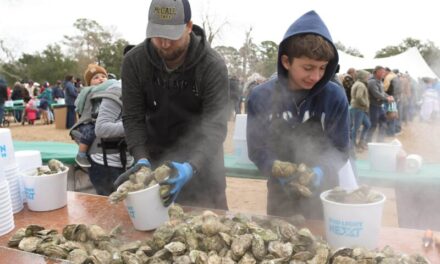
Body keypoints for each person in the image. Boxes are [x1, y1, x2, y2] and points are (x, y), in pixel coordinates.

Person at [119, 0, 229, 210]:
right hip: (156, 167)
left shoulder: (212, 65)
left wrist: (191, 167)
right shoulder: (134, 62)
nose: (165, 44)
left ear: (188, 26)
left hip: (204, 170)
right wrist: (140, 157)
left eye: (172, 36)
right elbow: (133, 117)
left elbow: (215, 128)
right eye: (158, 35)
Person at [246, 10, 350, 219]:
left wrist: (321, 171)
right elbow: (257, 150)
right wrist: (275, 169)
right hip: (279, 194)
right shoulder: (260, 97)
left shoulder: (335, 96)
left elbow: (340, 149)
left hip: (325, 194)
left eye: (322, 68)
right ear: (286, 61)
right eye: (308, 67)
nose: (316, 76)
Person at [74, 64, 109, 167]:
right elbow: (78, 104)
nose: (100, 79)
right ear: (89, 83)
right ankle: (81, 154)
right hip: (90, 120)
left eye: (103, 76)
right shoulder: (86, 92)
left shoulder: (111, 90)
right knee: (90, 131)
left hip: (106, 118)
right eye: (96, 78)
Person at [366, 66, 393, 143]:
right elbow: (376, 94)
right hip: (373, 107)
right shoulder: (372, 82)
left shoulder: (380, 81)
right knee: (372, 125)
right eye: (382, 72)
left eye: (384, 72)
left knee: (383, 122)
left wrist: (388, 96)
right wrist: (386, 99)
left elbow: (382, 93)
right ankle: (368, 142)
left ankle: (380, 140)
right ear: (376, 72)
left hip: (380, 106)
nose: (384, 73)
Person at [350, 70, 371, 151]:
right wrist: (365, 104)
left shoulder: (357, 83)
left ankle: (360, 142)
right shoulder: (361, 85)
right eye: (367, 76)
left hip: (358, 108)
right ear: (363, 76)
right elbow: (359, 97)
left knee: (367, 124)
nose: (368, 78)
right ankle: (353, 146)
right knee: (356, 128)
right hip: (358, 108)